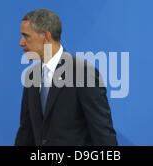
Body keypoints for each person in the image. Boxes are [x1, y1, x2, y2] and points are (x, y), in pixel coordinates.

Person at [15, 8, 117, 146]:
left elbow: (103, 135)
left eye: (26, 36)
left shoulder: (83, 72)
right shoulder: (31, 75)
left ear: (46, 36)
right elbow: (26, 133)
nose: (21, 42)